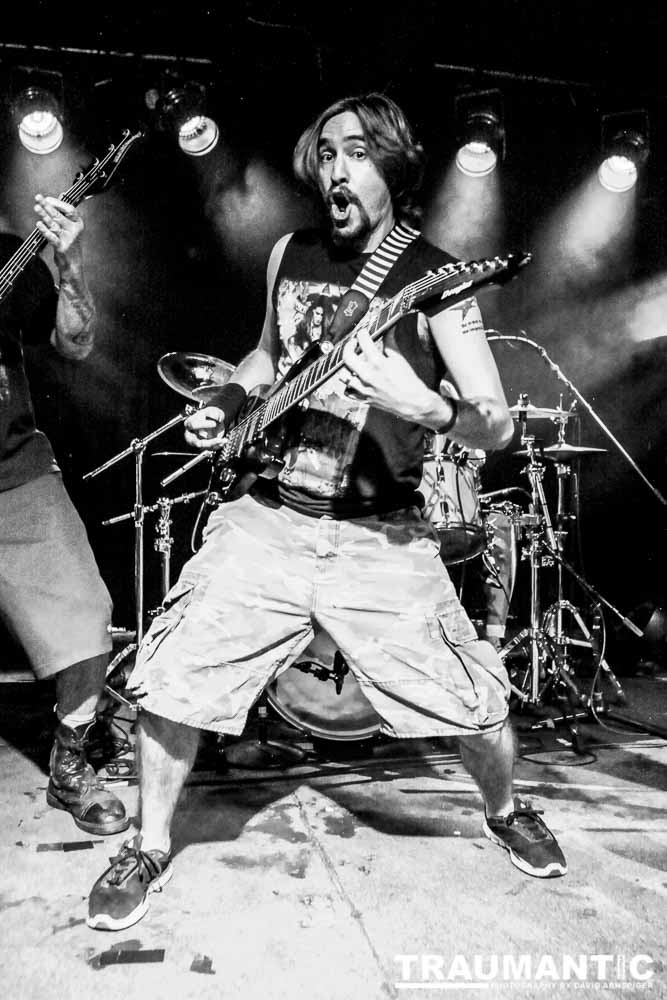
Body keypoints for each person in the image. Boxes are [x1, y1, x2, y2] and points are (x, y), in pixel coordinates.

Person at [87, 92, 566, 932]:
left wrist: (424, 405)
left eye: (356, 153)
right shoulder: (290, 252)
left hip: (380, 536)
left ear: (393, 167)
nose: (335, 170)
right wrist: (227, 402)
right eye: (326, 154)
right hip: (268, 518)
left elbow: (492, 423)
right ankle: (148, 845)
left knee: (473, 700)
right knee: (174, 676)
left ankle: (504, 810)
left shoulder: (438, 279)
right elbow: (267, 355)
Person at [0, 195, 127, 837]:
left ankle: (71, 759)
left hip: (13, 471)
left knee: (85, 608)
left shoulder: (5, 258)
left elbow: (76, 342)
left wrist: (70, 261)